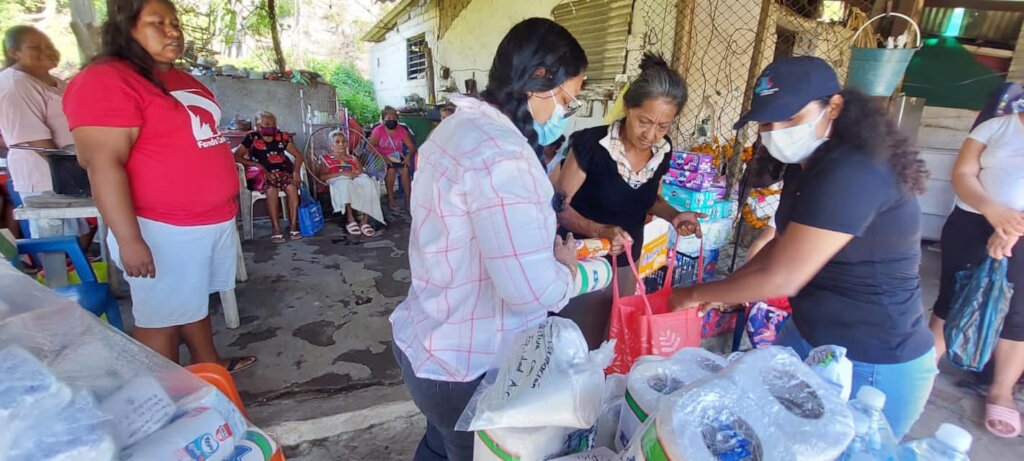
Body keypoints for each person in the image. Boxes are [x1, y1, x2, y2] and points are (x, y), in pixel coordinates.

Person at [670, 57, 935, 439]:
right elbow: (779, 248)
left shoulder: (855, 171)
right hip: (811, 335)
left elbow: (783, 276)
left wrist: (695, 293)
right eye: (766, 123)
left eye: (789, 120)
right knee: (775, 437)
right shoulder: (806, 165)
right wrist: (727, 291)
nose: (775, 132)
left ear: (835, 107)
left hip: (872, 361)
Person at [390, 18, 585, 460]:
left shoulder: (456, 130)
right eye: (570, 97)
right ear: (539, 83)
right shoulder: (503, 156)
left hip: (427, 343)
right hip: (466, 368)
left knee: (437, 448)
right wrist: (568, 270)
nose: (568, 111)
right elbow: (529, 292)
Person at [64, 0, 255, 373]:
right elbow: (103, 165)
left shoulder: (177, 77)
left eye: (175, 23)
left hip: (206, 220)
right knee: (159, 319)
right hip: (162, 227)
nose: (173, 32)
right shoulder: (107, 79)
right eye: (157, 23)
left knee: (189, 301)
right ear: (126, 28)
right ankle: (170, 406)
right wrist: (130, 239)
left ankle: (208, 365)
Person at [553, 53, 702, 349]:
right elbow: (558, 208)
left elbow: (648, 199)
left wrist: (674, 215)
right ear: (627, 108)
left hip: (626, 262)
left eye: (663, 125)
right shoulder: (591, 146)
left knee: (612, 340)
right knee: (573, 344)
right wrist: (598, 230)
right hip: (582, 259)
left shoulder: (663, 150)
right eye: (644, 121)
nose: (651, 134)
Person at [929, 109, 1024, 438]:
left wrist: (1012, 228)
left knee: (1018, 314)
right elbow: (963, 174)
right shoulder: (998, 126)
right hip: (972, 221)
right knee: (953, 298)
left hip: (1021, 233)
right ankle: (923, 369)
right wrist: (993, 210)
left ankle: (1001, 390)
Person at [0, 25, 93, 248]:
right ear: (15, 53)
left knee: (77, 237)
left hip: (68, 176)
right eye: (35, 47)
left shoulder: (54, 82)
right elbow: (39, 142)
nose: (47, 51)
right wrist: (81, 172)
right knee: (58, 246)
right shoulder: (15, 84)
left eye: (49, 45)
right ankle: (60, 283)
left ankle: (80, 277)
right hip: (46, 177)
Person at [234, 111, 305, 243]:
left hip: (283, 173)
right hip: (262, 176)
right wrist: (255, 164)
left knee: (292, 188)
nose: (270, 127)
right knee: (271, 191)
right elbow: (236, 156)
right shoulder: (252, 138)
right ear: (258, 125)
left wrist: (296, 172)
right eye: (267, 124)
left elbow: (298, 155)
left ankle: (293, 226)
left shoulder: (281, 137)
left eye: (273, 124)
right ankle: (276, 229)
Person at [317, 128, 384, 237]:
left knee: (369, 183)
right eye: (337, 142)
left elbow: (361, 172)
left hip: (354, 179)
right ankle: (350, 219)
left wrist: (354, 174)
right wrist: (342, 173)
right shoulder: (326, 159)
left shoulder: (352, 158)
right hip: (338, 180)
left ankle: (364, 220)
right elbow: (322, 176)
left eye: (343, 141)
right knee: (345, 183)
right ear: (331, 145)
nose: (341, 144)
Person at [367, 106, 416, 211]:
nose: (392, 121)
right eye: (389, 119)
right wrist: (383, 157)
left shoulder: (401, 130)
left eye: (394, 119)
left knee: (405, 170)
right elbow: (369, 147)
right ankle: (390, 198)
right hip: (381, 157)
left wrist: (408, 157)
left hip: (397, 157)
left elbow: (411, 146)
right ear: (384, 120)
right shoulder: (378, 131)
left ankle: (408, 198)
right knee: (390, 170)